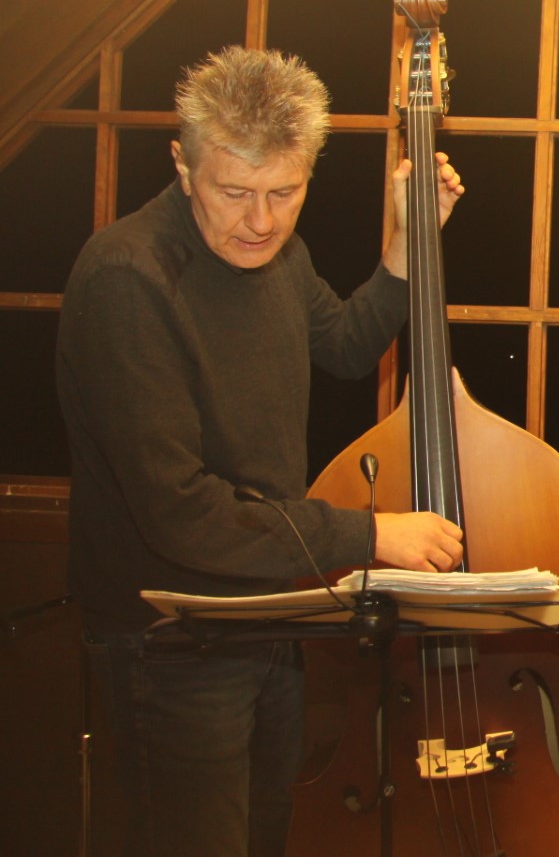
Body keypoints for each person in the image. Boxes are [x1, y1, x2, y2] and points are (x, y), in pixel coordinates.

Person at [56, 46, 468, 857]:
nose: (261, 222)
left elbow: (346, 345)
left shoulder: (282, 256)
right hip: (170, 641)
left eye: (286, 192)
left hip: (267, 619)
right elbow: (181, 512)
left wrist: (408, 239)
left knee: (265, 839)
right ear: (183, 166)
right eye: (234, 192)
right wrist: (371, 534)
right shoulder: (126, 279)